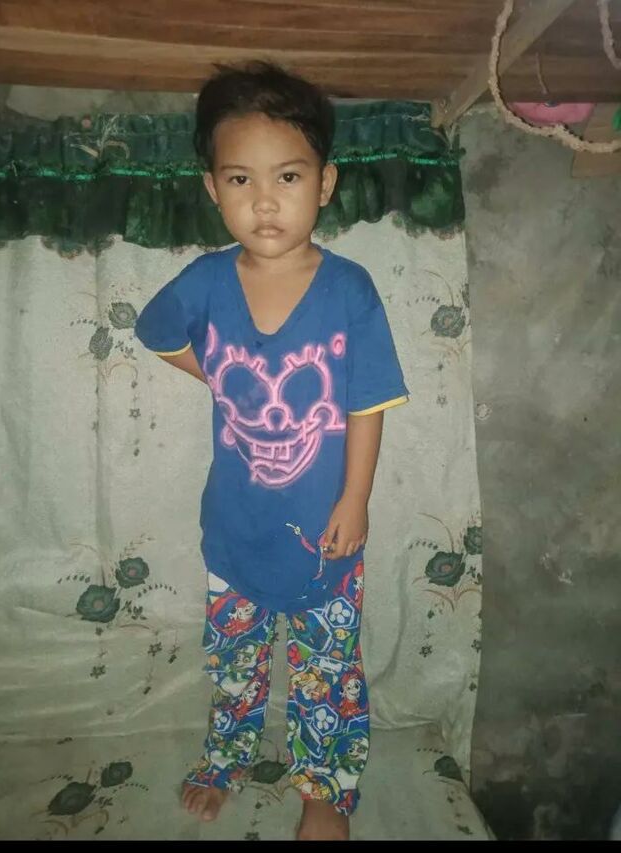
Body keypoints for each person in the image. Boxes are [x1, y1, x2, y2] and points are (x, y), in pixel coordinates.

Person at [135, 61, 408, 840]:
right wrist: (220, 374)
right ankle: (226, 757)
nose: (264, 200)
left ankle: (325, 791)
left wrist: (355, 498)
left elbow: (365, 403)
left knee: (327, 672)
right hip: (235, 531)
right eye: (239, 179)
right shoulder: (204, 281)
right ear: (212, 188)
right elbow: (156, 330)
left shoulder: (350, 290)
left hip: (327, 536)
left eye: (287, 176)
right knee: (236, 662)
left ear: (324, 183)